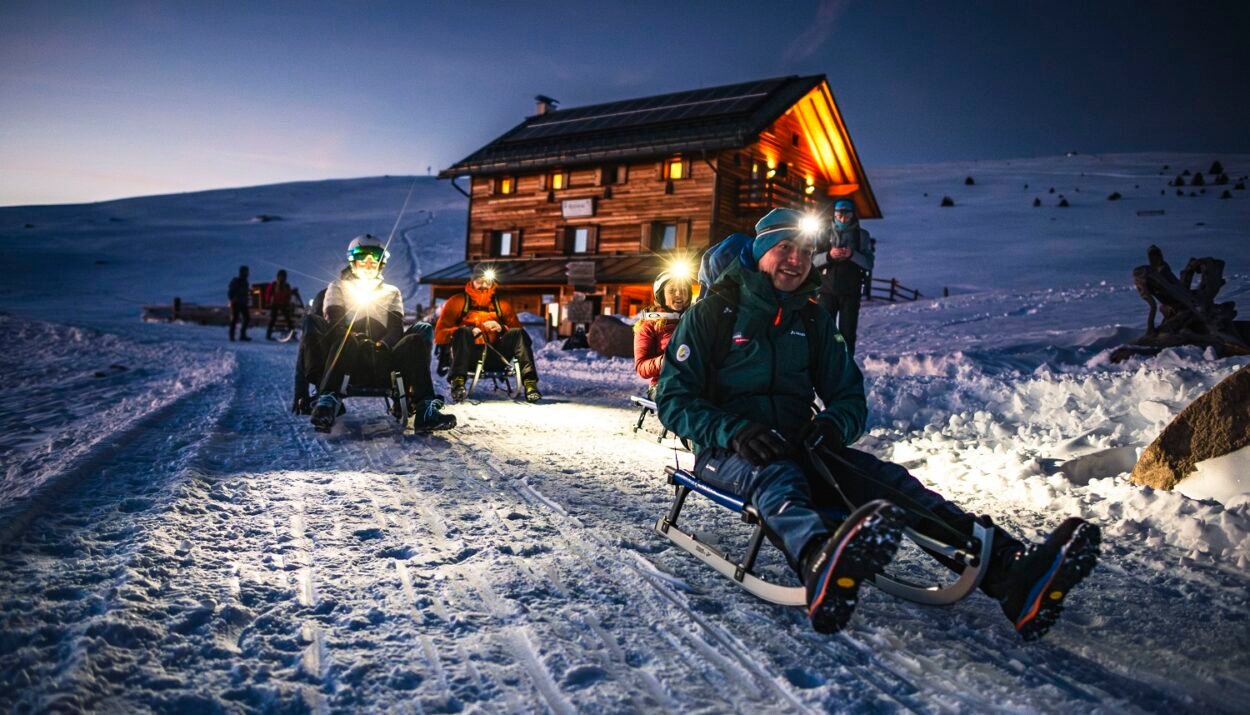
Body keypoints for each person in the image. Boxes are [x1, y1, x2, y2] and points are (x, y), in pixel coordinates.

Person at [656, 207, 1100, 639]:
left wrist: (832, 426)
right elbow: (673, 399)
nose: (795, 259)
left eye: (805, 250)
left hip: (801, 441)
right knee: (777, 479)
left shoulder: (811, 319)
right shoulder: (713, 313)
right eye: (784, 248)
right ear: (761, 251)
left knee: (889, 482)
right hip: (727, 452)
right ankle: (819, 562)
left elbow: (849, 396)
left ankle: (1011, 573)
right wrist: (733, 431)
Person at [296, 234, 455, 432]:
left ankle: (425, 409)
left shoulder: (391, 292)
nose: (369, 263)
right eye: (363, 258)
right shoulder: (337, 287)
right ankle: (328, 399)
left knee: (414, 339)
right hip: (347, 354)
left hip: (383, 354)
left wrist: (383, 344)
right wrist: (358, 339)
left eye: (375, 259)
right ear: (353, 260)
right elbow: (335, 325)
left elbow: (395, 328)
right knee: (346, 338)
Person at [434, 265, 541, 403]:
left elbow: (522, 336)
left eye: (488, 281)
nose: (484, 285)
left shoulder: (502, 304)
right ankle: (458, 383)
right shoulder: (457, 302)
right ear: (472, 281)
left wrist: (502, 328)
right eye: (479, 281)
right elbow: (439, 334)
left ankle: (530, 384)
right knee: (463, 331)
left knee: (518, 333)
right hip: (468, 357)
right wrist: (468, 330)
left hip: (496, 355)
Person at [813, 198, 874, 354]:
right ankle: (825, 365)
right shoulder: (823, 234)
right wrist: (828, 255)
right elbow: (811, 261)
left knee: (846, 333)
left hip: (850, 292)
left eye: (847, 215)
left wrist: (852, 254)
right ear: (833, 215)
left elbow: (868, 263)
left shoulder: (862, 236)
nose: (843, 219)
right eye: (839, 215)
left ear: (853, 215)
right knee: (826, 332)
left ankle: (846, 367)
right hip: (826, 290)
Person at [634, 268, 693, 398]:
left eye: (684, 290)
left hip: (695, 382)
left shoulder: (693, 320)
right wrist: (666, 360)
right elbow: (641, 367)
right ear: (661, 295)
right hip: (665, 385)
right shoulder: (649, 325)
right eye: (672, 290)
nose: (679, 294)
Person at [265, 269, 302, 340]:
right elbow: (268, 294)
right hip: (275, 304)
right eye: (281, 276)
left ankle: (292, 334)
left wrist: (287, 302)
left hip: (283, 304)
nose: (282, 278)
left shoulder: (286, 286)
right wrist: (268, 301)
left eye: (283, 276)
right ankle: (268, 335)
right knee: (273, 319)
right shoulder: (274, 285)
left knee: (288, 319)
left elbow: (288, 295)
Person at [227, 265, 252, 342]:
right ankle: (232, 336)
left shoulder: (245, 282)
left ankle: (242, 335)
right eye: (245, 272)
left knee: (247, 318)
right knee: (235, 319)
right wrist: (232, 299)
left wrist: (247, 300)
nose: (247, 273)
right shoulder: (236, 281)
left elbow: (246, 293)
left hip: (243, 303)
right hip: (236, 303)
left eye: (247, 272)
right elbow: (230, 291)